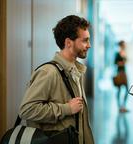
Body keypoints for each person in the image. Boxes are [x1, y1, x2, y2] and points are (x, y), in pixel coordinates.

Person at [19, 15, 94, 144]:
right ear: (69, 42)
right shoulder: (49, 72)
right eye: (85, 40)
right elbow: (27, 110)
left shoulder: (76, 71)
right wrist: (67, 109)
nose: (89, 45)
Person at [114, 40, 129, 113]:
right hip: (119, 73)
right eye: (123, 45)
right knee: (119, 90)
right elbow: (115, 63)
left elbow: (125, 62)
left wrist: (123, 62)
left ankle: (123, 106)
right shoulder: (117, 54)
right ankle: (119, 106)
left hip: (124, 72)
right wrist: (122, 63)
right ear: (121, 45)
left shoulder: (124, 53)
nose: (124, 46)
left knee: (127, 90)